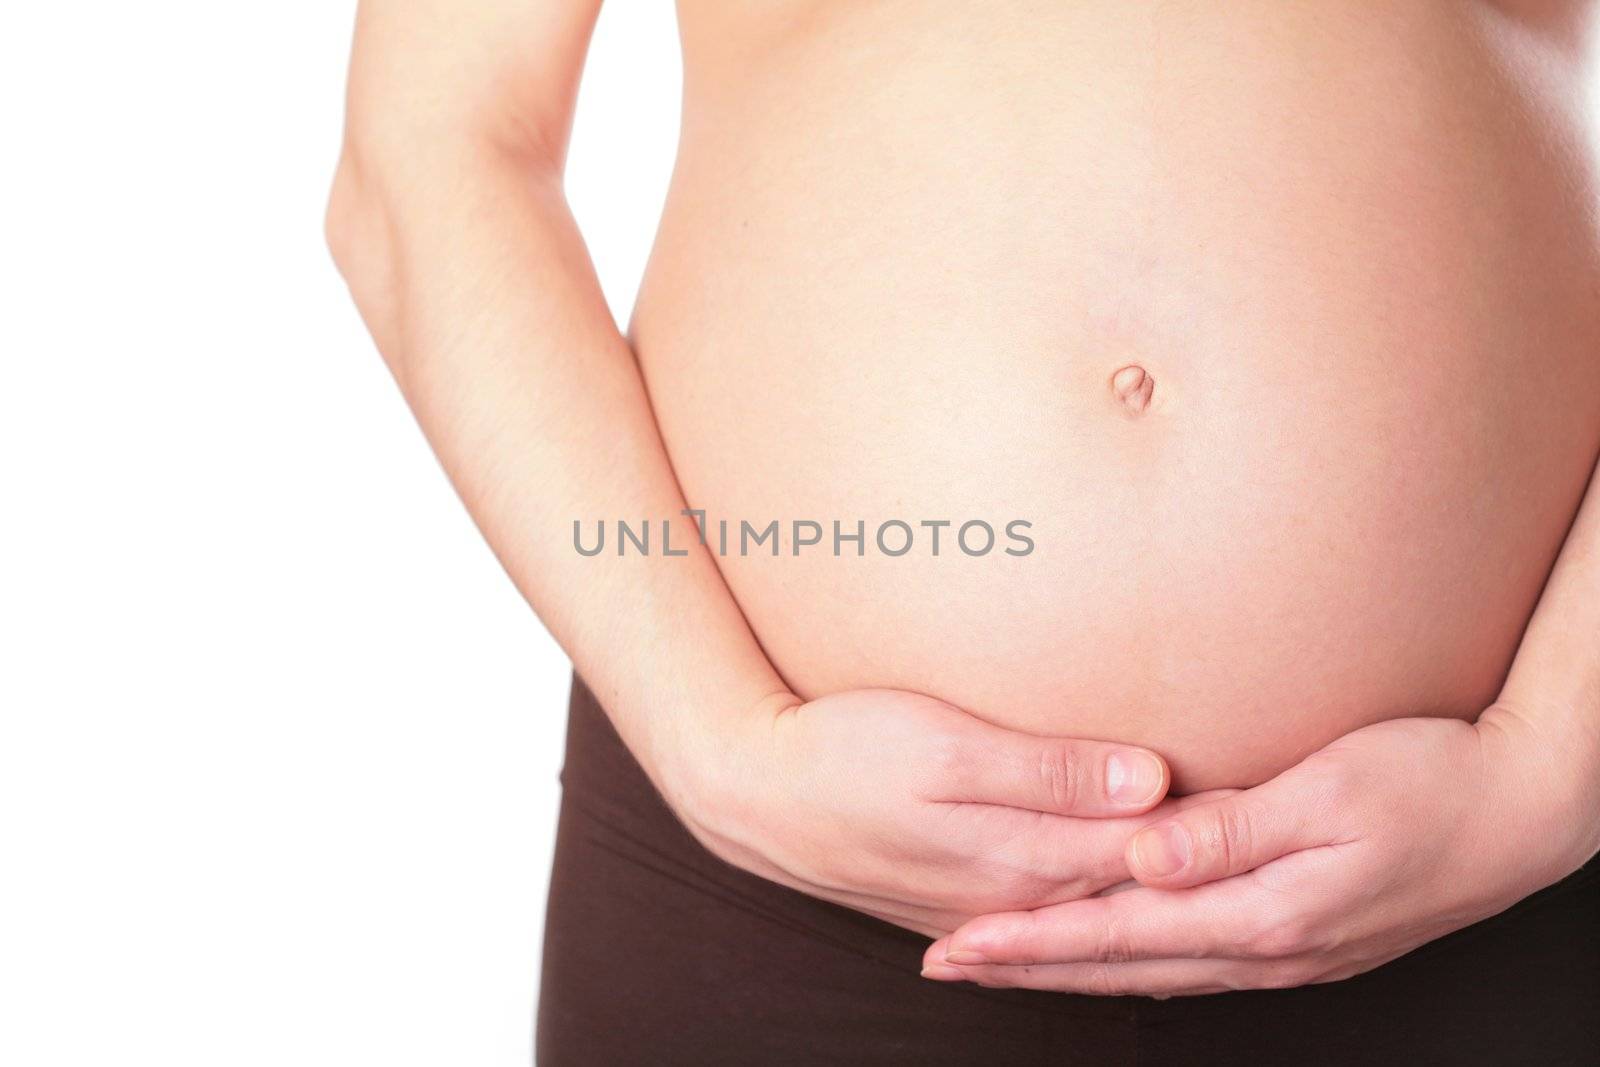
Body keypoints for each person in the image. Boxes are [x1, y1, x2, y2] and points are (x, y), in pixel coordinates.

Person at [327, 2, 1600, 1062]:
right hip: (778, 889)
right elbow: (432, 151)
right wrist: (714, 746)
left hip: (1489, 882)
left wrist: (1553, 770)